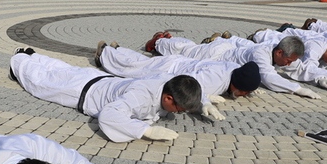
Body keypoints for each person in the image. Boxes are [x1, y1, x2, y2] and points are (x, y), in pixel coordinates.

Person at [10, 48, 203, 142]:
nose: (178, 113)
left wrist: (205, 102)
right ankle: (18, 60)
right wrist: (147, 131)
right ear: (168, 98)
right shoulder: (140, 96)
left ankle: (33, 56)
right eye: (179, 109)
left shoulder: (169, 82)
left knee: (63, 68)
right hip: (81, 91)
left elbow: (185, 84)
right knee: (41, 81)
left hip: (99, 78)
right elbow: (109, 115)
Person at [95, 41, 261, 117]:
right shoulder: (217, 79)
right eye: (244, 92)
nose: (243, 95)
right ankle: (105, 53)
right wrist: (206, 102)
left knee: (140, 63)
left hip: (176, 64)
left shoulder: (234, 69)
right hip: (170, 71)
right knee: (131, 70)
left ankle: (118, 50)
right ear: (238, 85)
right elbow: (193, 84)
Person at [146, 32, 321, 98]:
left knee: (189, 49)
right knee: (187, 50)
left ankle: (167, 41)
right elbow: (269, 77)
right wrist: (297, 89)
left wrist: (323, 77)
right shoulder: (261, 54)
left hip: (225, 51)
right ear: (280, 53)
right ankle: (160, 42)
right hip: (215, 55)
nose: (288, 65)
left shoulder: (277, 54)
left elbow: (298, 68)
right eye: (288, 61)